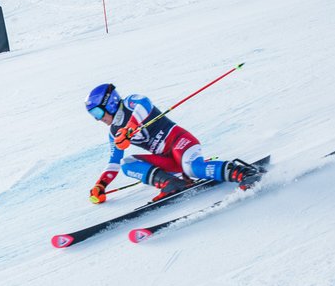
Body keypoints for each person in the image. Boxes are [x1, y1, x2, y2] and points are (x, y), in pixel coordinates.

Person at [85, 84, 260, 204]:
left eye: (98, 112)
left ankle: (243, 173)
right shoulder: (114, 132)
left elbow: (145, 103)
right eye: (93, 115)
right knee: (126, 163)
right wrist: (101, 185)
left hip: (180, 142)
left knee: (193, 168)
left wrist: (130, 128)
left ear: (111, 103)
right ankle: (171, 183)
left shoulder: (130, 103)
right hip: (167, 160)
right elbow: (114, 162)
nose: (98, 119)